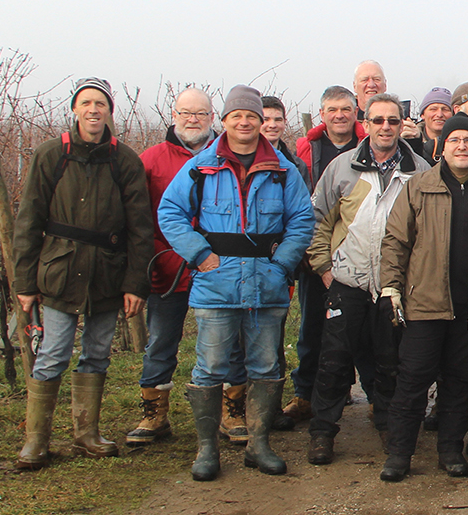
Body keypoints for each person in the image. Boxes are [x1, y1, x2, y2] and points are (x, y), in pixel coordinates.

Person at [158, 85, 314, 481]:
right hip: (216, 285)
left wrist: (282, 265)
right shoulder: (201, 166)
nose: (244, 123)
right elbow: (171, 211)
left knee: (265, 365)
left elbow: (301, 221)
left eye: (251, 116)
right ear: (224, 121)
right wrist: (200, 255)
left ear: (262, 122)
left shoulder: (283, 170)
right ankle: (207, 450)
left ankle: (259, 445)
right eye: (236, 116)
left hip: (268, 285)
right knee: (209, 368)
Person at [13, 77, 154, 470]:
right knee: (53, 353)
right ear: (75, 109)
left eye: (101, 104)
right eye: (86, 103)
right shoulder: (50, 156)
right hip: (59, 270)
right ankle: (36, 441)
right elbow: (28, 221)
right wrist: (24, 283)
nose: (94, 110)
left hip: (107, 273)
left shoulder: (124, 160)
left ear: (110, 111)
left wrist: (134, 283)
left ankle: (85, 434)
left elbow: (140, 229)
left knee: (96, 353)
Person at [377, 114, 468, 481]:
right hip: (425, 302)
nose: (461, 146)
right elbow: (396, 239)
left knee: (458, 380)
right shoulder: (419, 186)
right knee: (413, 380)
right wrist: (390, 286)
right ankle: (399, 454)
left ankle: (451, 450)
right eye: (454, 140)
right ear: (443, 147)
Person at [305, 94, 426, 465]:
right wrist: (325, 268)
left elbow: (426, 230)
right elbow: (319, 221)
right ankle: (322, 432)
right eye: (378, 121)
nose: (385, 127)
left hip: (393, 285)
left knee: (391, 360)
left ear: (401, 122)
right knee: (334, 360)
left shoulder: (419, 170)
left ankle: (389, 424)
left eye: (392, 120)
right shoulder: (343, 168)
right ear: (366, 122)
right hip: (347, 280)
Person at [129, 88, 230, 446]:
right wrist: (149, 263)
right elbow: (139, 220)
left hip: (218, 270)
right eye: (186, 113)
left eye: (200, 114)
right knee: (160, 341)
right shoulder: (151, 160)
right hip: (166, 269)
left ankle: (231, 412)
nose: (192, 120)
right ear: (173, 115)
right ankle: (154, 415)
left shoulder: (226, 157)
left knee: (225, 344)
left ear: (212, 117)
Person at [286, 86, 368, 427]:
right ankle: (305, 393)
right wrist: (314, 258)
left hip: (359, 256)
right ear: (322, 115)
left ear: (355, 113)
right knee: (313, 327)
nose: (339, 115)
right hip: (317, 252)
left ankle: (363, 391)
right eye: (332, 109)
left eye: (345, 109)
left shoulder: (367, 149)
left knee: (364, 331)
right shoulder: (307, 150)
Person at [403, 87, 454, 164]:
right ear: (422, 114)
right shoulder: (408, 140)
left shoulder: (460, 144)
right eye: (433, 109)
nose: (439, 114)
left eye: (445, 109)